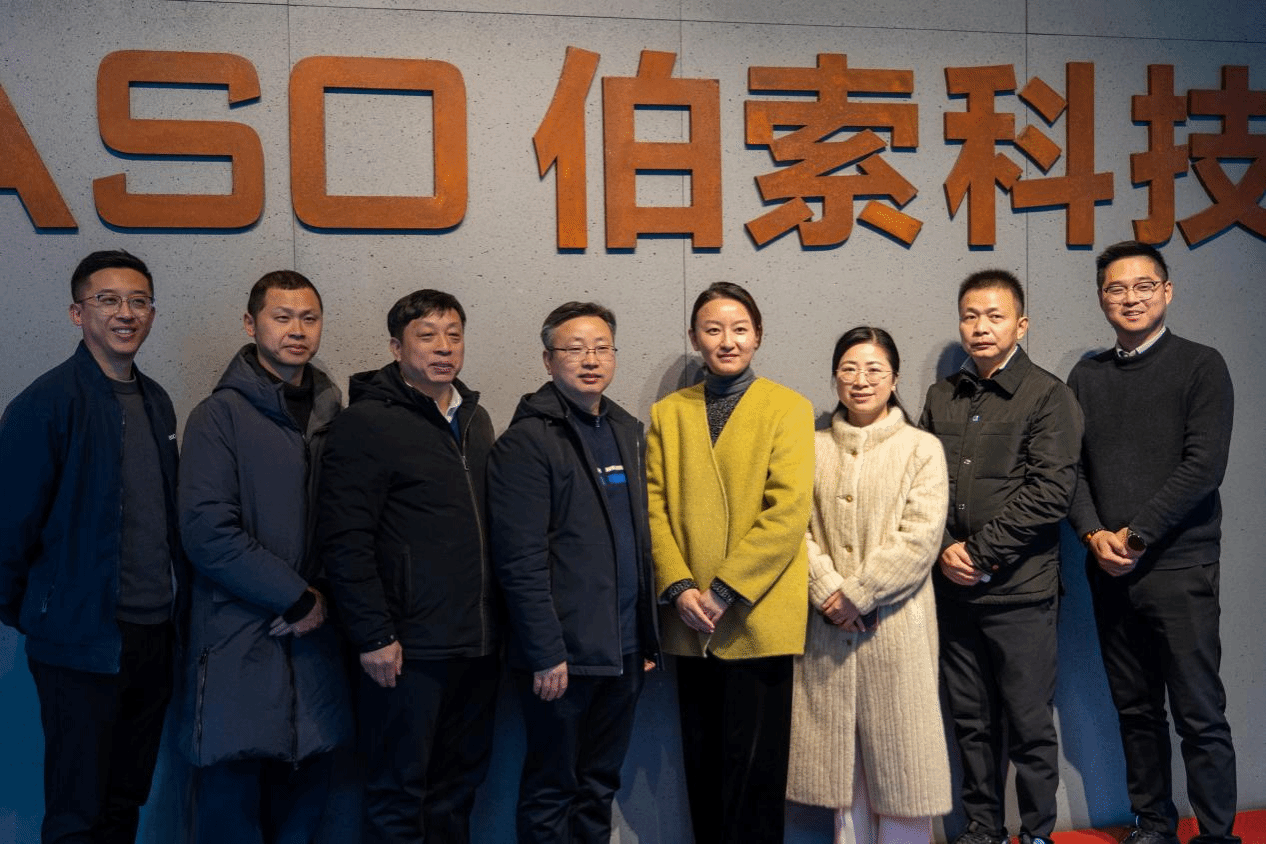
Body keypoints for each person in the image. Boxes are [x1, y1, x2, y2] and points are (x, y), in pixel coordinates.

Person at [0, 249, 181, 844]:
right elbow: (8, 526)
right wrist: (44, 612)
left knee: (125, 801)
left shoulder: (156, 400)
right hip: (78, 641)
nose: (125, 313)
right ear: (78, 313)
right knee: (77, 813)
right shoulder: (46, 403)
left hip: (152, 636)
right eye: (108, 300)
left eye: (138, 301)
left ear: (151, 313)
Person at [1067, 241, 1239, 844]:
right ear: (1101, 299)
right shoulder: (1086, 376)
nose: (1131, 298)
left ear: (1167, 291)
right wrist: (1093, 534)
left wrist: (1137, 535)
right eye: (1117, 288)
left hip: (1180, 568)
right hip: (1109, 570)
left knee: (1200, 713)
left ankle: (1217, 834)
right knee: (1136, 711)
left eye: (1144, 286)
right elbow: (1071, 470)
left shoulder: (1201, 365)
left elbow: (1203, 466)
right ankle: (1154, 825)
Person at [318, 289, 499, 844]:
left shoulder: (476, 420)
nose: (444, 347)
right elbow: (344, 540)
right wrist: (374, 634)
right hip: (405, 649)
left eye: (454, 335)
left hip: (477, 644)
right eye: (427, 336)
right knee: (397, 796)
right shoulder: (366, 424)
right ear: (397, 348)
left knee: (458, 790)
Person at [177, 270, 351, 842]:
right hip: (240, 646)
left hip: (317, 653)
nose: (297, 330)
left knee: (304, 821)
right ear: (251, 325)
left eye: (309, 318)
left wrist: (322, 598)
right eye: (282, 317)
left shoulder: (335, 418)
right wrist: (295, 598)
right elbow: (207, 531)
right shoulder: (218, 416)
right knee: (230, 819)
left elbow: (350, 526)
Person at [647, 281, 815, 844]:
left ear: (758, 335)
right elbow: (653, 508)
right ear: (694, 337)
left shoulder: (788, 407)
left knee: (757, 773)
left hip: (757, 615)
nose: (727, 340)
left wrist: (723, 590)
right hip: (690, 619)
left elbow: (787, 512)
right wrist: (679, 587)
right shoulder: (669, 413)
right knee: (703, 764)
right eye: (713, 329)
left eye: (740, 329)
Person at [918, 269, 1083, 844]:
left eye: (994, 315)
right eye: (970, 316)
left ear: (1021, 324)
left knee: (1030, 723)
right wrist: (944, 548)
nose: (981, 327)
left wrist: (979, 553)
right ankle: (982, 830)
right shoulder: (941, 396)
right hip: (954, 592)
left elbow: (1051, 493)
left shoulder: (1049, 395)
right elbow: (920, 485)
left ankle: (1036, 833)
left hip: (1021, 592)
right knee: (970, 723)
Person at [488, 301, 660, 843]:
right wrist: (545, 651)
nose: (590, 359)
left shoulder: (626, 430)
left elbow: (637, 541)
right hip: (562, 656)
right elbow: (518, 559)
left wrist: (644, 635)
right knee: (552, 789)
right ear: (548, 360)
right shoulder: (528, 441)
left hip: (623, 651)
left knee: (598, 785)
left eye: (601, 348)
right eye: (575, 349)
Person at [788, 327, 951, 844]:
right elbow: (793, 529)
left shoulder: (922, 448)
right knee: (843, 771)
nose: (861, 380)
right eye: (849, 369)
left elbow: (919, 539)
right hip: (828, 631)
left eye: (874, 369)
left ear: (894, 379)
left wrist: (857, 594)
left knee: (905, 771)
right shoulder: (809, 446)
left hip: (897, 628)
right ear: (835, 377)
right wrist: (826, 591)